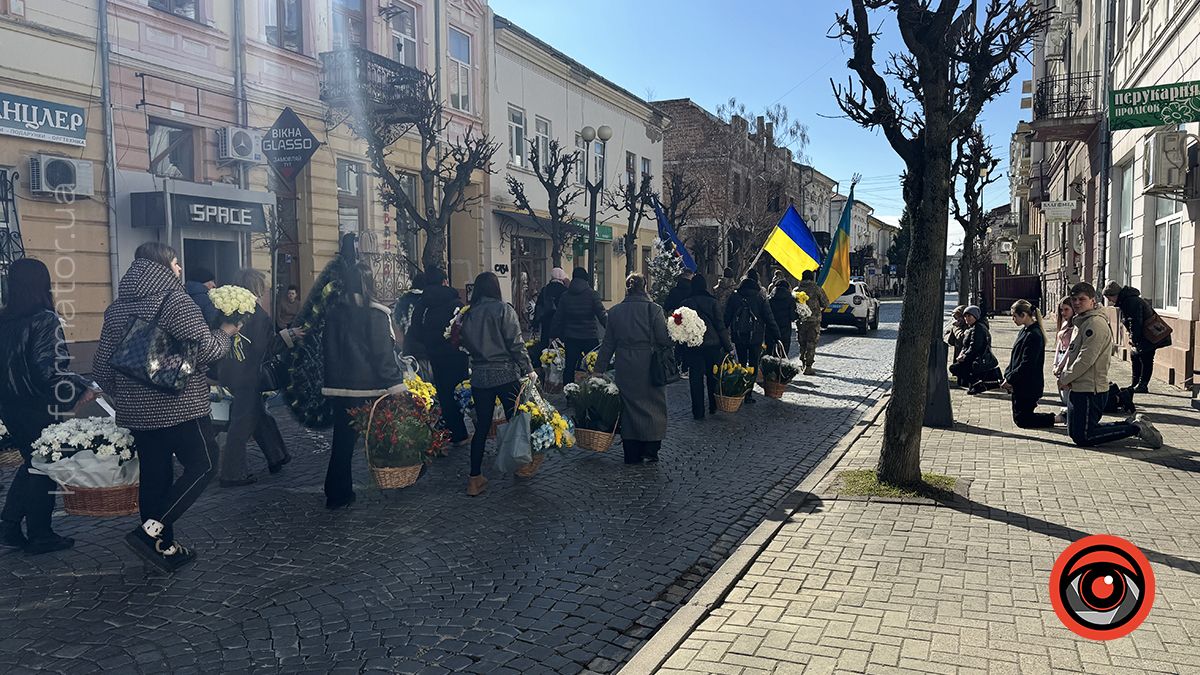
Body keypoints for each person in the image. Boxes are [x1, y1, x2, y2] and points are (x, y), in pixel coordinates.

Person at [93, 243, 238, 572]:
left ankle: (164, 548)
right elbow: (208, 351)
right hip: (181, 408)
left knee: (155, 478)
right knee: (203, 466)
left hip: (138, 415)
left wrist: (129, 395)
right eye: (175, 263)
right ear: (161, 266)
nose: (180, 269)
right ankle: (151, 534)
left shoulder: (116, 309)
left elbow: (102, 369)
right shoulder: (176, 302)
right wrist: (227, 333)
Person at [0, 259, 96, 555]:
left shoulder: (5, 319)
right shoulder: (44, 319)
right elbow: (48, 370)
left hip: (10, 404)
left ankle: (10, 526)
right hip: (36, 405)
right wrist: (83, 385)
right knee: (45, 466)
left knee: (33, 462)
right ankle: (40, 533)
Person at [320, 249, 408, 510]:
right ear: (369, 283)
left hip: (339, 388)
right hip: (370, 388)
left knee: (342, 442)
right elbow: (382, 355)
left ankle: (336, 493)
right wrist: (397, 386)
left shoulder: (334, 313)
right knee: (390, 433)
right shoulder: (377, 314)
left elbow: (326, 350)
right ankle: (407, 474)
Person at [460, 272, 536, 496]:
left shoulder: (470, 314)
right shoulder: (504, 310)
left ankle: (474, 478)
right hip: (505, 374)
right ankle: (520, 463)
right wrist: (529, 369)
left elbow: (465, 343)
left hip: (480, 376)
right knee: (516, 420)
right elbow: (516, 344)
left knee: (482, 427)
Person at [1059, 282, 1162, 449]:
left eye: (1082, 299)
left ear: (1093, 301)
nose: (1077, 303)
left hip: (1090, 389)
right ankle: (1131, 424)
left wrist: (1065, 377)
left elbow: (1086, 358)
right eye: (1074, 299)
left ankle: (1136, 428)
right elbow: (1073, 354)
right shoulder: (1082, 321)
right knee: (1077, 432)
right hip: (1079, 386)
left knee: (1084, 436)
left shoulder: (1094, 324)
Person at [216, 269, 293, 488]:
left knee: (259, 416)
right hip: (250, 376)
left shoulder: (227, 311)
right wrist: (287, 337)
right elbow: (264, 348)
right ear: (257, 288)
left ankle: (277, 456)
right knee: (241, 424)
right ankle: (232, 473)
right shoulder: (259, 315)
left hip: (230, 372)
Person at [594, 273, 672, 464]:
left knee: (628, 407)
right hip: (649, 364)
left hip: (625, 365)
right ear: (645, 287)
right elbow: (663, 339)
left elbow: (607, 344)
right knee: (654, 404)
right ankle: (651, 448)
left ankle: (631, 451)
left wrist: (598, 369)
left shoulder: (615, 312)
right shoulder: (654, 310)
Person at [409, 267, 470, 447]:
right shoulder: (455, 302)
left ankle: (453, 432)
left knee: (443, 392)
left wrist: (429, 342)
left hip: (435, 354)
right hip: (456, 354)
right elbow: (464, 327)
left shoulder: (422, 304)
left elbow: (416, 329)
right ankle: (463, 432)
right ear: (444, 281)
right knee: (460, 391)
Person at [1103, 281, 1171, 394]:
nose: (1110, 301)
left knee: (1146, 359)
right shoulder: (1127, 300)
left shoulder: (1130, 301)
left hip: (1147, 335)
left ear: (1115, 294)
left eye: (1109, 297)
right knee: (1136, 357)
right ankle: (1135, 384)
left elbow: (1135, 321)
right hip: (1143, 335)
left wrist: (1135, 339)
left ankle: (1142, 385)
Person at [682, 274, 734, 420]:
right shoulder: (713, 302)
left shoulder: (686, 303)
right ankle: (713, 405)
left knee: (695, 379)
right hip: (713, 345)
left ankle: (697, 411)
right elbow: (720, 326)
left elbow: (683, 327)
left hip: (694, 346)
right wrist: (728, 347)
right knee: (713, 377)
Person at [724, 273, 780, 402]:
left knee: (741, 363)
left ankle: (740, 390)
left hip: (739, 335)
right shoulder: (760, 297)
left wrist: (722, 334)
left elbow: (726, 317)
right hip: (755, 336)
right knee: (753, 363)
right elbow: (769, 318)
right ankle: (749, 393)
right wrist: (777, 335)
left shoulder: (735, 296)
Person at [1001, 300, 1055, 429]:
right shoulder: (1025, 330)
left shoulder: (1034, 334)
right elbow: (1015, 357)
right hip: (1020, 383)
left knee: (1023, 420)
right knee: (1020, 418)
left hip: (1028, 384)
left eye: (1014, 316)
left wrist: (1011, 378)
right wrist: (1008, 375)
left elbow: (1027, 363)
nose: (1013, 319)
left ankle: (1057, 418)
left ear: (1024, 315)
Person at [550, 267, 607, 380]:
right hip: (590, 336)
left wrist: (552, 334)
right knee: (593, 366)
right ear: (586, 279)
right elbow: (602, 315)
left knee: (569, 367)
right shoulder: (593, 295)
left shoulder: (565, 296)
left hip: (571, 337)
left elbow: (558, 317)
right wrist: (612, 329)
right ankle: (593, 390)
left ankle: (568, 392)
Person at [950, 306, 1002, 395]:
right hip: (975, 357)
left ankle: (977, 384)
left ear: (975, 317)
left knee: (955, 368)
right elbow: (966, 344)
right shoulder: (974, 327)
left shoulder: (977, 328)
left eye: (969, 316)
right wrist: (962, 353)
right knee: (958, 369)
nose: (967, 318)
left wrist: (964, 356)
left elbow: (974, 346)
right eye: (965, 316)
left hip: (977, 358)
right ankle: (977, 384)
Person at [794, 269, 828, 374]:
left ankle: (803, 363)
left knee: (802, 342)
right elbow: (825, 303)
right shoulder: (817, 289)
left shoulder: (796, 290)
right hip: (814, 321)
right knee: (811, 343)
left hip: (801, 321)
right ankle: (808, 366)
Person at [533, 267, 569, 352]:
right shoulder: (565, 290)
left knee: (545, 343)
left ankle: (545, 358)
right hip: (561, 322)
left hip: (547, 320)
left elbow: (538, 306)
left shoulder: (545, 289)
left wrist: (536, 323)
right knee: (560, 345)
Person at [1052, 297, 1075, 424]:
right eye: (1061, 310)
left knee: (1066, 386)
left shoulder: (1075, 326)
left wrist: (1060, 365)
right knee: (1060, 386)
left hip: (1068, 359)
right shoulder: (1064, 323)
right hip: (1060, 357)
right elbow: (1059, 345)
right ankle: (1067, 413)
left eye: (1066, 309)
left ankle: (1069, 414)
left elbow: (1070, 349)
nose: (1063, 313)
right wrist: (1055, 363)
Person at [392, 272, 426, 348]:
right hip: (424, 339)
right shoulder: (426, 299)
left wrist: (403, 327)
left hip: (408, 338)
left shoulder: (403, 299)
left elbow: (396, 317)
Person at [768, 279, 798, 356]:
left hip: (771, 329)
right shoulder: (790, 299)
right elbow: (793, 317)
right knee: (784, 352)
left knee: (771, 352)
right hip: (785, 329)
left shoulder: (770, 299)